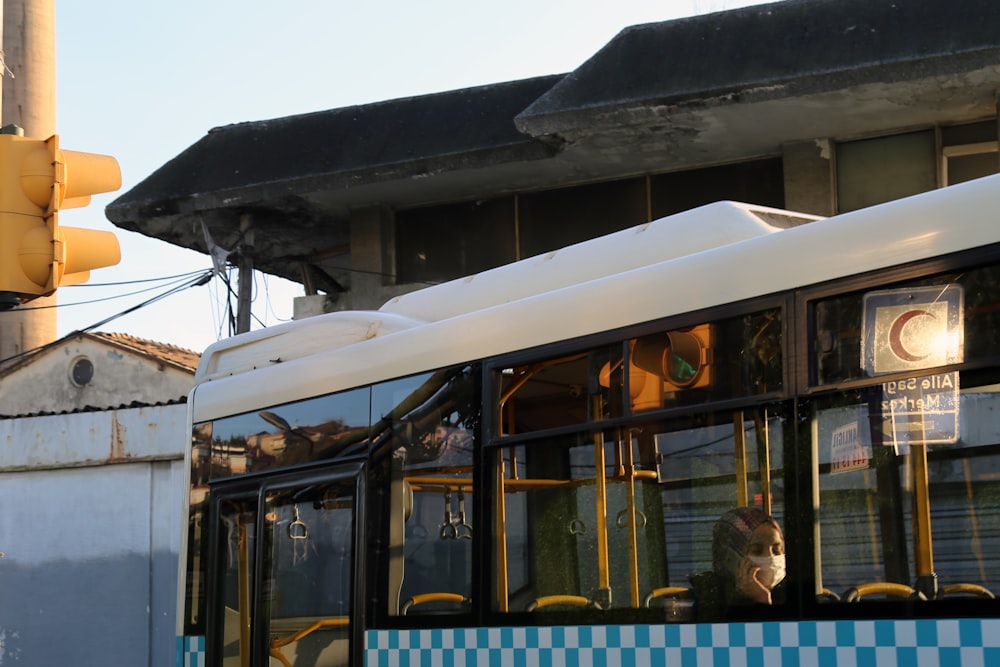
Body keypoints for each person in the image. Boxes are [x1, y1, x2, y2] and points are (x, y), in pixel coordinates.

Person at [711, 506, 786, 606]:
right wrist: (761, 599)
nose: (770, 557)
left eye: (776, 550)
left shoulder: (795, 594)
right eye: (756, 551)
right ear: (730, 556)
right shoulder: (710, 596)